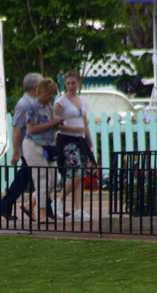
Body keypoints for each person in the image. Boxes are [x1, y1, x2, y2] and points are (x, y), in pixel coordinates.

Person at [0, 73, 43, 221]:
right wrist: (16, 152)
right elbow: (16, 128)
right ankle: (6, 206)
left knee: (34, 179)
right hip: (27, 149)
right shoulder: (24, 104)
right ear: (36, 86)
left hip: (31, 148)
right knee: (33, 178)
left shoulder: (31, 102)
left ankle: (6, 206)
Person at [53, 71, 96, 223]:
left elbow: (85, 125)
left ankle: (78, 210)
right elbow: (55, 125)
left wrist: (91, 146)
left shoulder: (83, 101)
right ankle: (58, 202)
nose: (71, 86)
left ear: (78, 83)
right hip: (66, 141)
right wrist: (73, 130)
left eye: (73, 83)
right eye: (68, 83)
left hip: (81, 142)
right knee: (76, 173)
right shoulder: (61, 102)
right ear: (65, 84)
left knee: (80, 176)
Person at [20, 78, 63, 222]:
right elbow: (31, 129)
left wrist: (56, 124)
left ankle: (29, 204)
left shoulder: (48, 106)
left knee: (53, 180)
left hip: (49, 147)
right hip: (34, 145)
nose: (51, 96)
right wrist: (51, 122)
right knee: (42, 180)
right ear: (41, 91)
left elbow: (48, 126)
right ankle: (42, 214)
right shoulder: (34, 107)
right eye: (49, 93)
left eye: (53, 93)